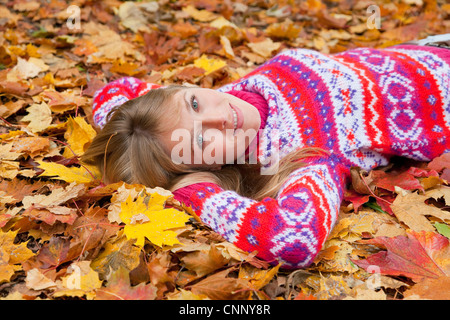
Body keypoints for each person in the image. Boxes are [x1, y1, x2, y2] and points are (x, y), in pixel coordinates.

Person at [82, 36, 450, 269]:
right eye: (201, 142)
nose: (219, 118)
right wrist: (192, 189)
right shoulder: (295, 157)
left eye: (193, 102)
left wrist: (126, 136)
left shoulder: (231, 98)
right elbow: (293, 239)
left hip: (426, 48)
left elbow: (118, 93)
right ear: (208, 165)